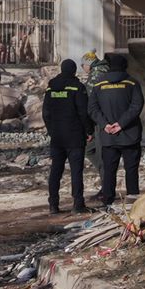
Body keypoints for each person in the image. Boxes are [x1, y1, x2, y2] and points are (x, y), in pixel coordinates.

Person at [90, 52, 143, 206]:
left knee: (109, 171)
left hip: (108, 137)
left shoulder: (99, 84)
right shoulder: (132, 83)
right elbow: (136, 106)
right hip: (130, 135)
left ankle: (108, 202)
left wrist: (104, 124)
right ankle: (133, 202)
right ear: (125, 67)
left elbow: (92, 108)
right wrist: (121, 124)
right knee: (131, 170)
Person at [42, 58, 92, 213]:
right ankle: (78, 204)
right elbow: (83, 113)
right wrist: (89, 130)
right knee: (76, 171)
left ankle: (53, 205)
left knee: (55, 170)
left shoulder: (51, 88)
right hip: (75, 135)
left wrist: (51, 130)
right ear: (73, 70)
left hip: (57, 136)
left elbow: (46, 113)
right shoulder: (78, 88)